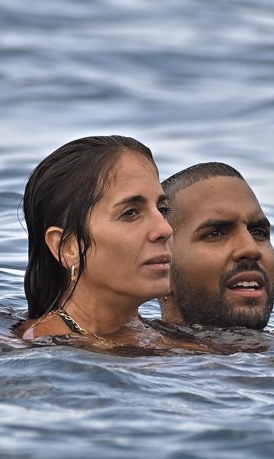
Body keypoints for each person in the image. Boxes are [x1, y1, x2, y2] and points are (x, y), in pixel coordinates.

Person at [14, 135, 175, 343]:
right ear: (68, 247)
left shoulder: (173, 341)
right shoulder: (40, 346)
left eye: (162, 210)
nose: (164, 229)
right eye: (131, 212)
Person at [158, 162, 274, 330]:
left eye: (258, 232)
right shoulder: (126, 350)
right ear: (161, 266)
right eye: (216, 234)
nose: (251, 249)